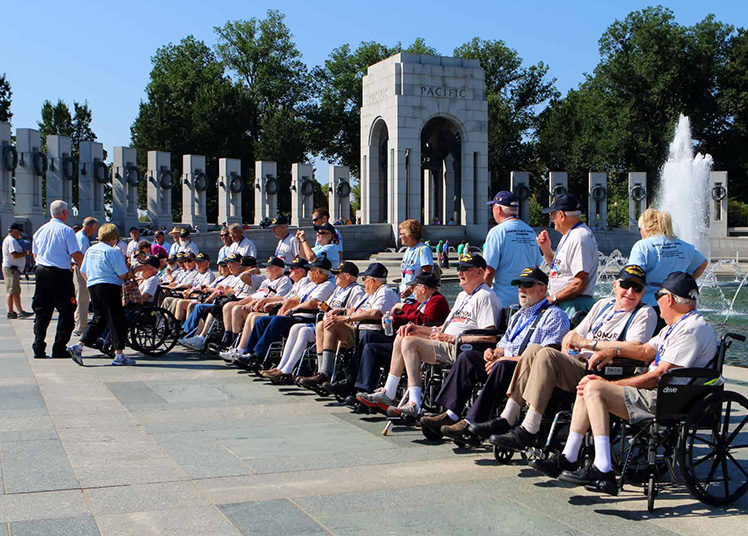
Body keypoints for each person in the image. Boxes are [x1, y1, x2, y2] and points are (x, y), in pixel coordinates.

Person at [532, 272, 717, 494]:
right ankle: (570, 457)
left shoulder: (691, 329)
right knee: (589, 384)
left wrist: (614, 385)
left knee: (594, 386)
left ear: (668, 299)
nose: (655, 300)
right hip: (663, 392)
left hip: (668, 397)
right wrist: (613, 349)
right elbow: (644, 350)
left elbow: (657, 376)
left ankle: (602, 467)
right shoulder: (673, 327)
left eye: (657, 295)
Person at [487, 264, 657, 452]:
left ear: (644, 292)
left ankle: (530, 427)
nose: (630, 292)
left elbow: (635, 347)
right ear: (615, 285)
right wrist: (570, 344)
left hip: (603, 369)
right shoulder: (603, 305)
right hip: (579, 361)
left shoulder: (644, 313)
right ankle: (509, 417)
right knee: (533, 349)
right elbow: (573, 334)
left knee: (545, 353)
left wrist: (588, 344)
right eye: (626, 285)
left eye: (637, 288)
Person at [424, 266, 568, 441]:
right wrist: (493, 352)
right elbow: (504, 344)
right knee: (467, 357)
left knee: (502, 365)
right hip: (505, 362)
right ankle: (451, 413)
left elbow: (546, 356)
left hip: (527, 369)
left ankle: (472, 421)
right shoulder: (518, 316)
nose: (522, 290)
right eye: (519, 285)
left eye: (527, 285)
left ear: (542, 289)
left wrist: (505, 358)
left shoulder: (554, 315)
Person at [358, 254, 502, 419]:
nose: (459, 273)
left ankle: (414, 403)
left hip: (461, 348)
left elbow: (489, 337)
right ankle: (389, 392)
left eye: (464, 269)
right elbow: (441, 328)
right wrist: (416, 328)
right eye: (458, 268)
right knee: (404, 334)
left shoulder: (486, 297)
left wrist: (455, 339)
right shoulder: (463, 296)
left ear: (479, 272)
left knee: (410, 343)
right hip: (445, 342)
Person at [328, 272, 451, 402]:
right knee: (369, 340)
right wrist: (392, 319)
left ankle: (359, 387)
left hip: (418, 342)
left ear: (423, 288)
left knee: (371, 347)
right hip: (403, 338)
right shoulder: (420, 302)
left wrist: (403, 306)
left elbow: (424, 320)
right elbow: (406, 318)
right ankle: (353, 383)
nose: (412, 291)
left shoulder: (437, 300)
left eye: (414, 287)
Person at [296, 262, 399, 389]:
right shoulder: (369, 294)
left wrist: (345, 317)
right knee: (321, 325)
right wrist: (342, 311)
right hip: (357, 328)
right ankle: (321, 371)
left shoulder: (384, 292)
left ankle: (325, 374)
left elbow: (375, 312)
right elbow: (352, 309)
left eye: (364, 279)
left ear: (371, 280)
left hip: (370, 331)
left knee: (330, 325)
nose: (364, 283)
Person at [260, 261, 366, 383]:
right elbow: (330, 308)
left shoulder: (356, 290)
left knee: (304, 330)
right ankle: (282, 368)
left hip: (341, 329)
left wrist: (340, 311)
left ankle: (300, 371)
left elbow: (353, 313)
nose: (335, 276)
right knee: (296, 328)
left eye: (338, 274)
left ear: (347, 276)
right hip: (326, 324)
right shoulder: (339, 290)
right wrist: (325, 307)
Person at [233, 256, 335, 369]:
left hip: (307, 317)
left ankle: (258, 355)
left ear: (317, 272)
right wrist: (283, 305)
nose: (308, 272)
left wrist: (292, 309)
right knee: (261, 321)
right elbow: (294, 298)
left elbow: (312, 303)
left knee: (277, 321)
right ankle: (248, 352)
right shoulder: (311, 284)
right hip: (295, 315)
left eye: (310, 270)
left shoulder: (327, 285)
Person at [67, 223, 144, 366]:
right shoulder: (112, 251)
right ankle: (119, 355)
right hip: (109, 286)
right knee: (117, 320)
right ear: (113, 237)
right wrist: (136, 270)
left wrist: (90, 283)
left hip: (93, 285)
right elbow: (122, 275)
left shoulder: (90, 250)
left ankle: (79, 346)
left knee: (99, 318)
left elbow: (83, 270)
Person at [31, 200, 84, 359]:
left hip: (41, 272)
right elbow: (75, 254)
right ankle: (59, 347)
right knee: (67, 310)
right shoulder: (67, 231)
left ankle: (38, 346)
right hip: (60, 274)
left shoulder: (40, 231)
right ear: (65, 213)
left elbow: (35, 254)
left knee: (42, 311)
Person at [628, 208, 707, 307]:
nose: (640, 232)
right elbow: (702, 263)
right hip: (677, 303)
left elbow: (633, 275)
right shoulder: (684, 246)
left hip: (649, 303)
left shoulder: (643, 246)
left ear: (647, 229)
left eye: (640, 229)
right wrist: (686, 280)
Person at [536, 194, 599, 316]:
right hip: (567, 303)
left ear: (561, 215)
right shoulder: (570, 235)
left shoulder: (580, 237)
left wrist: (551, 299)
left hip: (573, 305)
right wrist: (546, 250)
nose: (552, 220)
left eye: (552, 216)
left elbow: (580, 282)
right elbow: (560, 270)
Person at [217, 256, 293, 351]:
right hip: (254, 304)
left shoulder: (284, 280)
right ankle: (232, 342)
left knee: (250, 315)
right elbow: (254, 295)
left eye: (269, 268)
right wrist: (240, 302)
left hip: (265, 308)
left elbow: (280, 298)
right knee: (233, 307)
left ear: (277, 269)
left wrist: (260, 301)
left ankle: (248, 349)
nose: (266, 270)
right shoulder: (266, 281)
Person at [484, 191, 543, 307]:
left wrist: (482, 298)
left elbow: (489, 270)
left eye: (492, 207)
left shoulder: (497, 232)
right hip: (527, 300)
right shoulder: (530, 231)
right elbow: (537, 267)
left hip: (503, 301)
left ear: (498, 210)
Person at [72, 217, 98, 334]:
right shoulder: (82, 238)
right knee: (82, 299)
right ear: (91, 227)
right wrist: (86, 274)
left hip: (80, 269)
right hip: (81, 269)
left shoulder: (81, 236)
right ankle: (80, 327)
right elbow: (81, 258)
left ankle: (80, 323)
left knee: (83, 298)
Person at [2, 222, 32, 319]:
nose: (20, 234)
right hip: (11, 268)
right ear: (14, 231)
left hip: (13, 268)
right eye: (19, 232)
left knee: (15, 291)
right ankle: (10, 312)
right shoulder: (11, 241)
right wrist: (26, 253)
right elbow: (14, 254)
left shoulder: (10, 240)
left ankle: (20, 311)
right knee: (11, 291)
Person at [397, 219, 433, 298]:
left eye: (402, 234)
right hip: (404, 295)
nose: (399, 237)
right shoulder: (407, 250)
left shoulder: (423, 250)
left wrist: (411, 287)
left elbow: (427, 275)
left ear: (410, 235)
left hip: (416, 297)